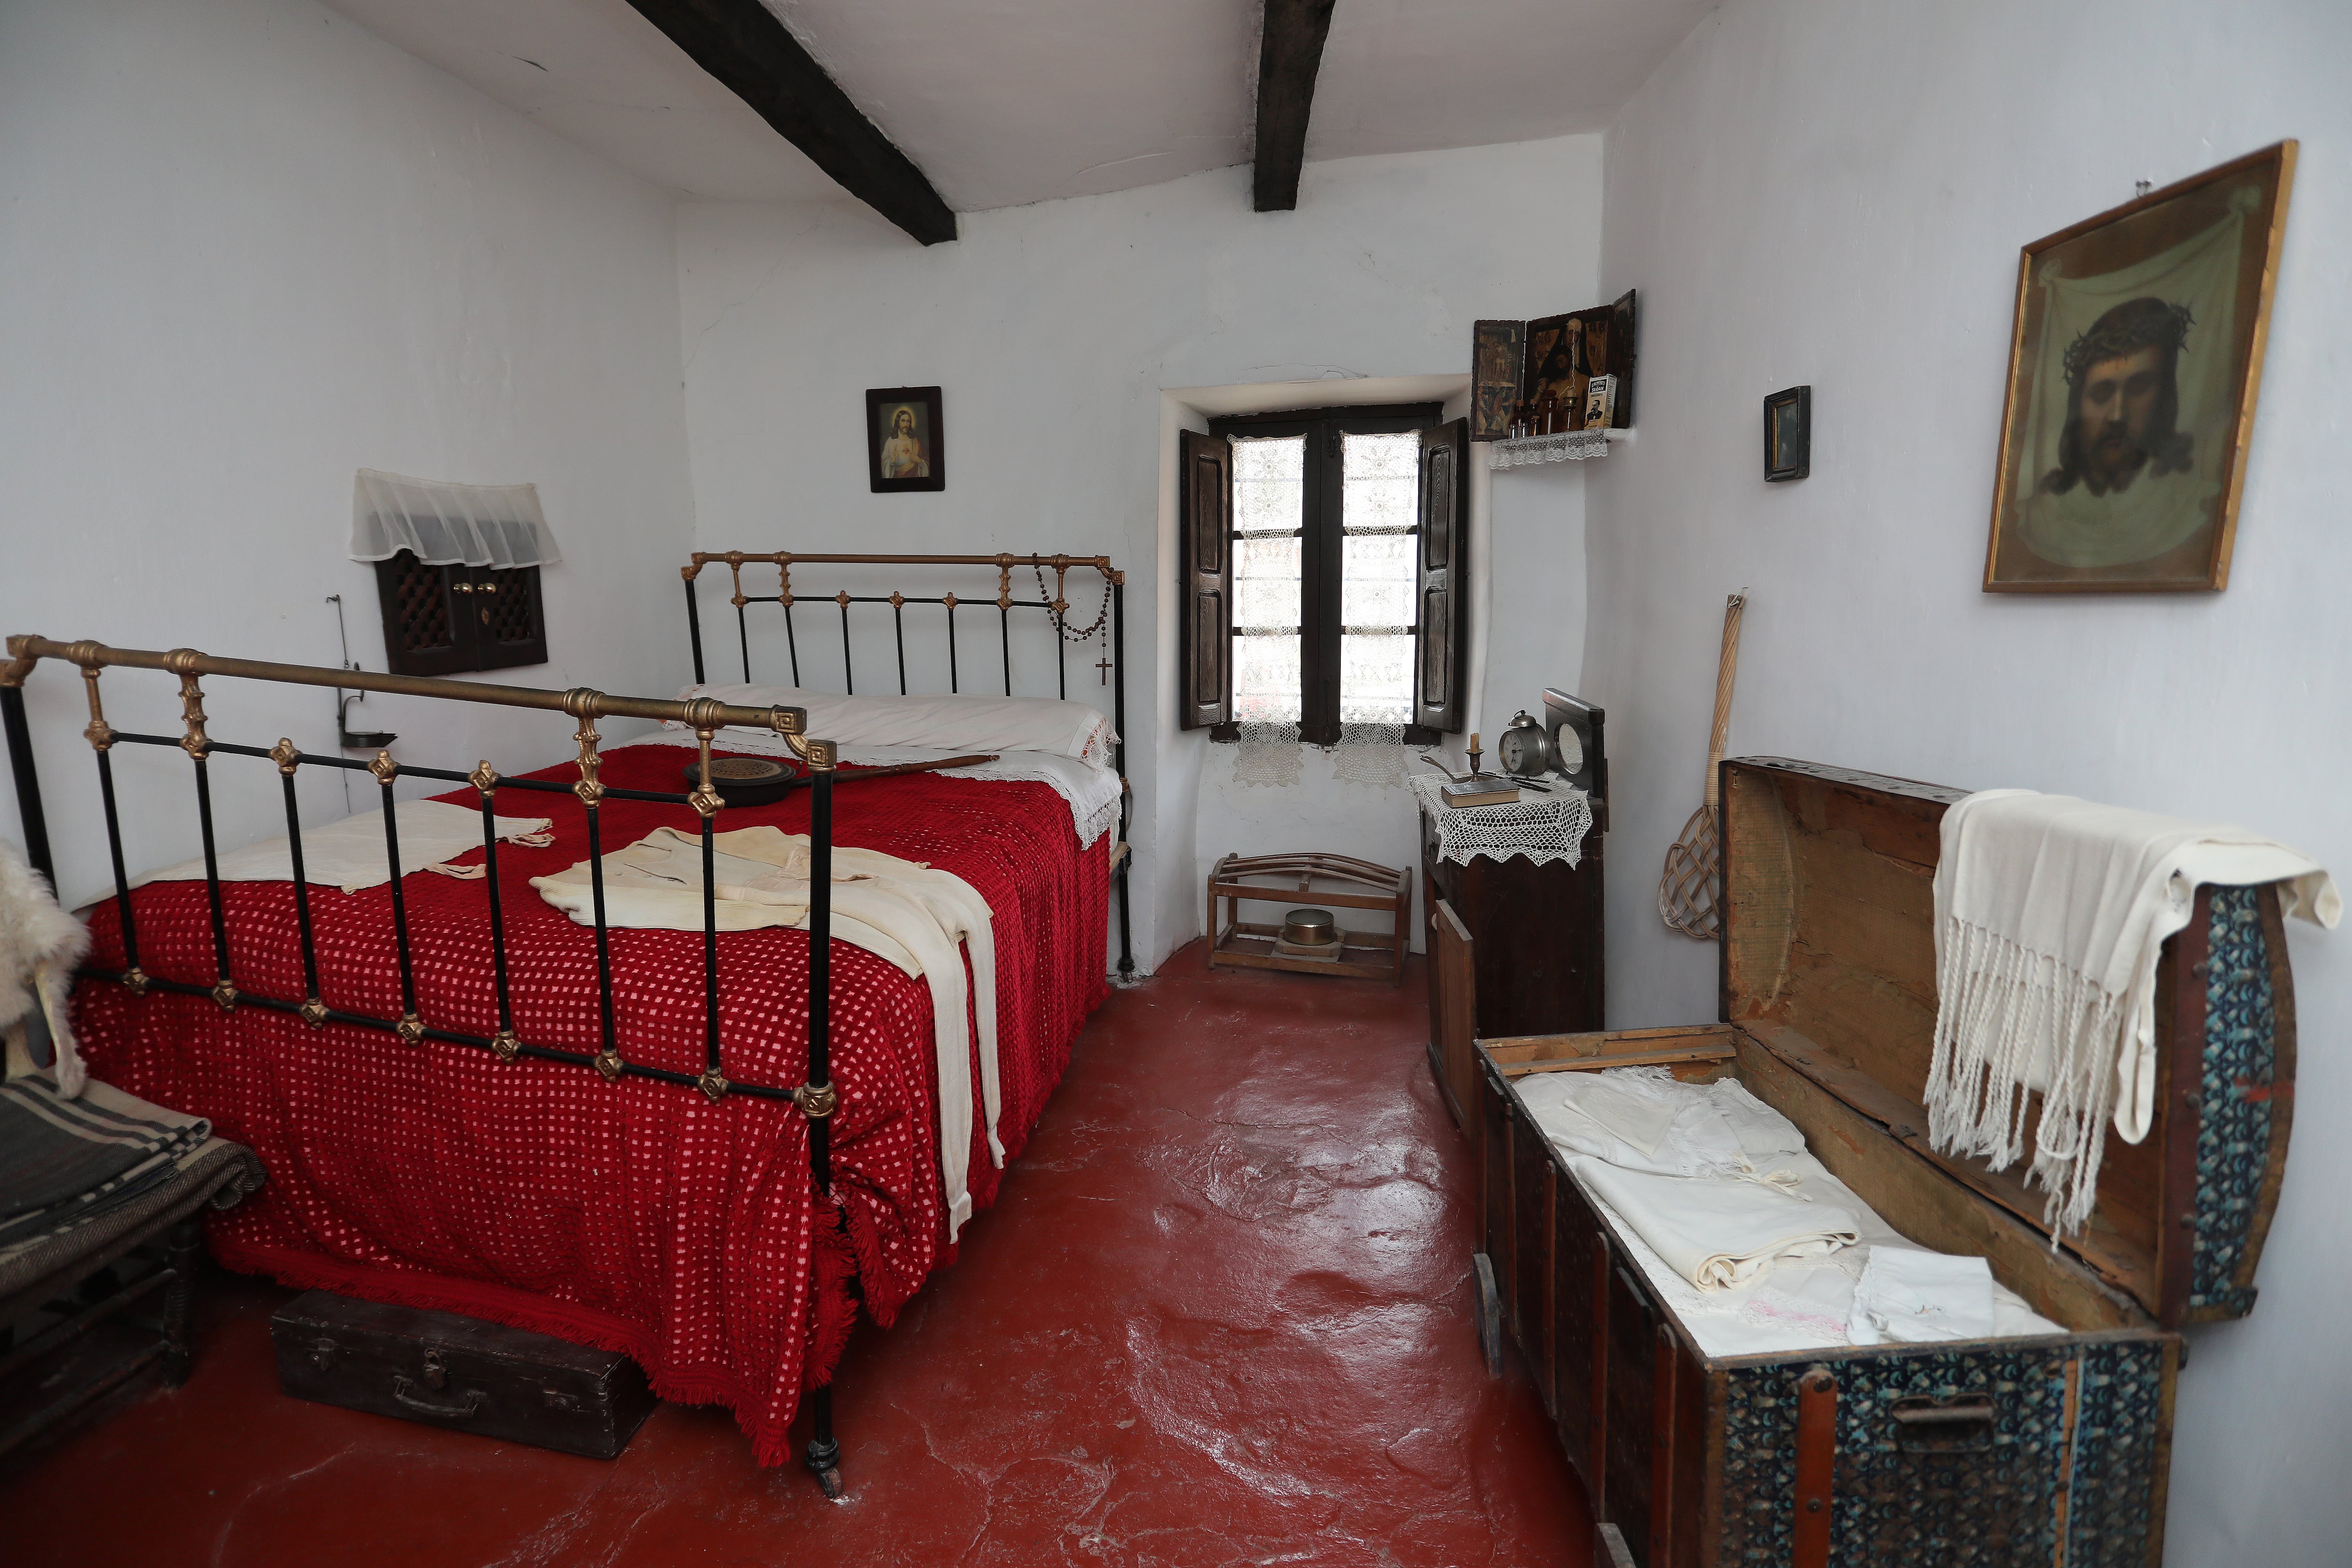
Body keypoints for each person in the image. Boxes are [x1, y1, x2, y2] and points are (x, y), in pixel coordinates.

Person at [2039, 296, 2195, 498]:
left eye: (2138, 389)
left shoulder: (2190, 495)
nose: (2117, 416)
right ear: (2078, 404)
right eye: (2101, 395)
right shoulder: (2043, 505)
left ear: (2164, 399)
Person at [880, 406, 929, 478]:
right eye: (903, 421)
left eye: (908, 421)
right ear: (898, 423)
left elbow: (927, 461)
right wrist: (893, 461)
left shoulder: (915, 441)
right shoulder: (891, 441)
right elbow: (883, 463)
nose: (906, 425)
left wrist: (919, 461)